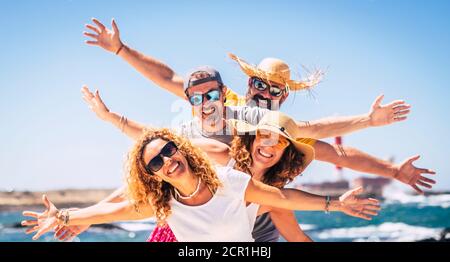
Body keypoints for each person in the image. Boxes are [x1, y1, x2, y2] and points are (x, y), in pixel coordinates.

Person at [22, 128, 381, 242]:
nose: (166, 160)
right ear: (153, 174)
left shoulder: (232, 183)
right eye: (156, 162)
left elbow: (283, 197)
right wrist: (66, 217)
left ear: (181, 149)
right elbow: (115, 209)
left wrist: (335, 203)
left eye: (168, 150)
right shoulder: (164, 205)